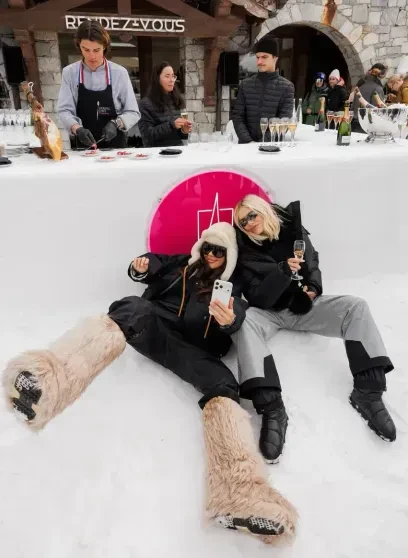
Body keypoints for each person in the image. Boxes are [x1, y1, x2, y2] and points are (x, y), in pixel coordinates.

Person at [3, 222, 296, 544]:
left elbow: (239, 311)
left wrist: (230, 320)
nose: (212, 255)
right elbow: (152, 264)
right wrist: (140, 267)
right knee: (131, 306)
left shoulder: (232, 284)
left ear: (230, 256)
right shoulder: (182, 264)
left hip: (194, 351)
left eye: (220, 251)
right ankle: (47, 384)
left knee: (225, 385)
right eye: (208, 247)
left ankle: (240, 495)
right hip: (152, 326)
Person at [231, 195, 396, 464]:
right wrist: (281, 272)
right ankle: (272, 409)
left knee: (356, 307)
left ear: (263, 211)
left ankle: (368, 392)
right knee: (245, 322)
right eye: (242, 222)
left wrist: (312, 289)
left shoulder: (294, 232)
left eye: (251, 215)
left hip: (303, 307)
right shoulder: (246, 252)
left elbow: (313, 264)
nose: (248, 223)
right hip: (270, 312)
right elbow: (258, 297)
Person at [57, 20, 140, 149]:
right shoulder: (70, 73)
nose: (92, 56)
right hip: (84, 149)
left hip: (116, 149)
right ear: (79, 46)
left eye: (96, 50)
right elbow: (64, 110)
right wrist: (77, 128)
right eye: (86, 49)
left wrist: (116, 123)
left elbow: (133, 112)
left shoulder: (119, 73)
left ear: (105, 46)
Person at [232, 35, 295, 144]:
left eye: (264, 57)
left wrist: (263, 144)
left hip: (271, 148)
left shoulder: (287, 87)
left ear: (275, 58)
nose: (259, 62)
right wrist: (249, 142)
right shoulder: (245, 85)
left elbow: (283, 121)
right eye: (257, 57)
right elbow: (238, 117)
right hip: (245, 147)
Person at [138, 61, 192, 148]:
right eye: (167, 76)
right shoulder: (145, 104)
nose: (172, 80)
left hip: (177, 150)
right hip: (157, 152)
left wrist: (184, 131)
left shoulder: (175, 100)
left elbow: (179, 136)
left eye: (173, 76)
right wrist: (171, 125)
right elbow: (147, 136)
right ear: (157, 78)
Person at [351, 63, 387, 133]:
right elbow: (377, 111)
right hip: (368, 126)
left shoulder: (360, 84)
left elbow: (353, 107)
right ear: (382, 75)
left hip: (354, 124)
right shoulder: (377, 88)